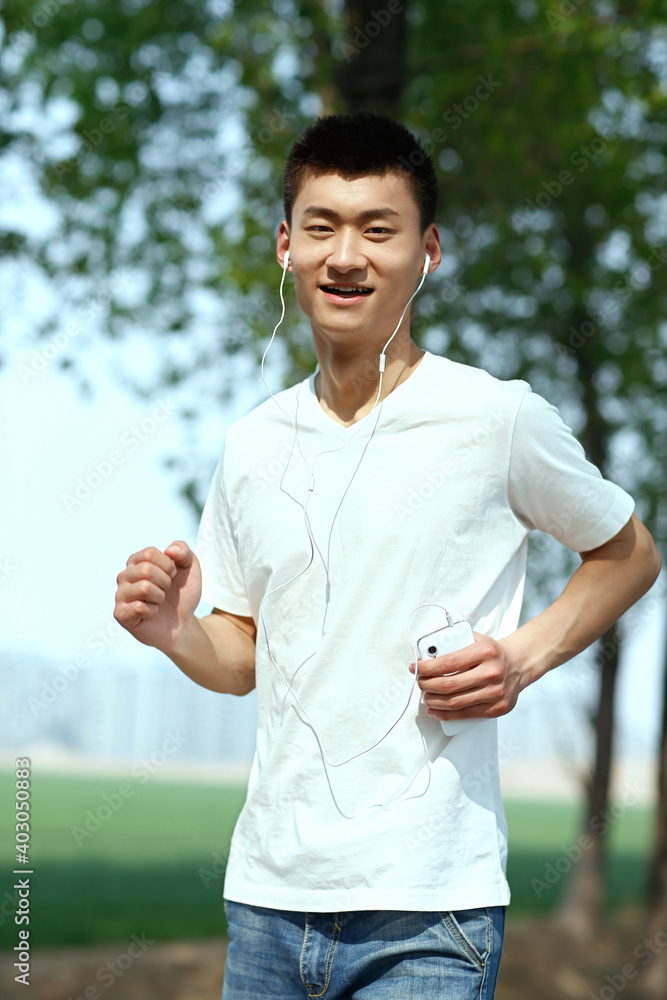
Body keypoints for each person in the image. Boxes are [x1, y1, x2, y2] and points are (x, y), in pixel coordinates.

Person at [113, 110, 661, 999]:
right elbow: (243, 652)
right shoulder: (253, 444)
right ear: (285, 245)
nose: (346, 255)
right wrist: (175, 632)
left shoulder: (496, 418)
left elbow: (629, 552)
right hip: (267, 903)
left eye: (378, 230)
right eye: (322, 227)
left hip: (430, 913)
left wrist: (522, 658)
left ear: (428, 251)